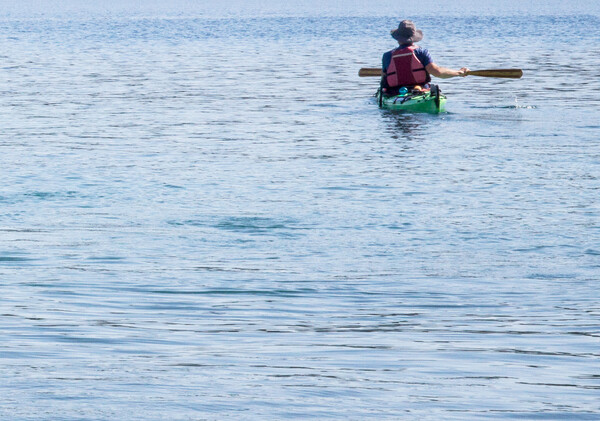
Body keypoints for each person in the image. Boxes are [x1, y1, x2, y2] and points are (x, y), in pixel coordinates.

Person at [381, 20, 469, 96]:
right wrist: (459, 72)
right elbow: (437, 72)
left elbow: (384, 79)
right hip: (420, 90)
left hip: (394, 93)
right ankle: (417, 91)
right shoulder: (421, 52)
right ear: (414, 37)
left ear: (397, 38)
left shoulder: (387, 56)